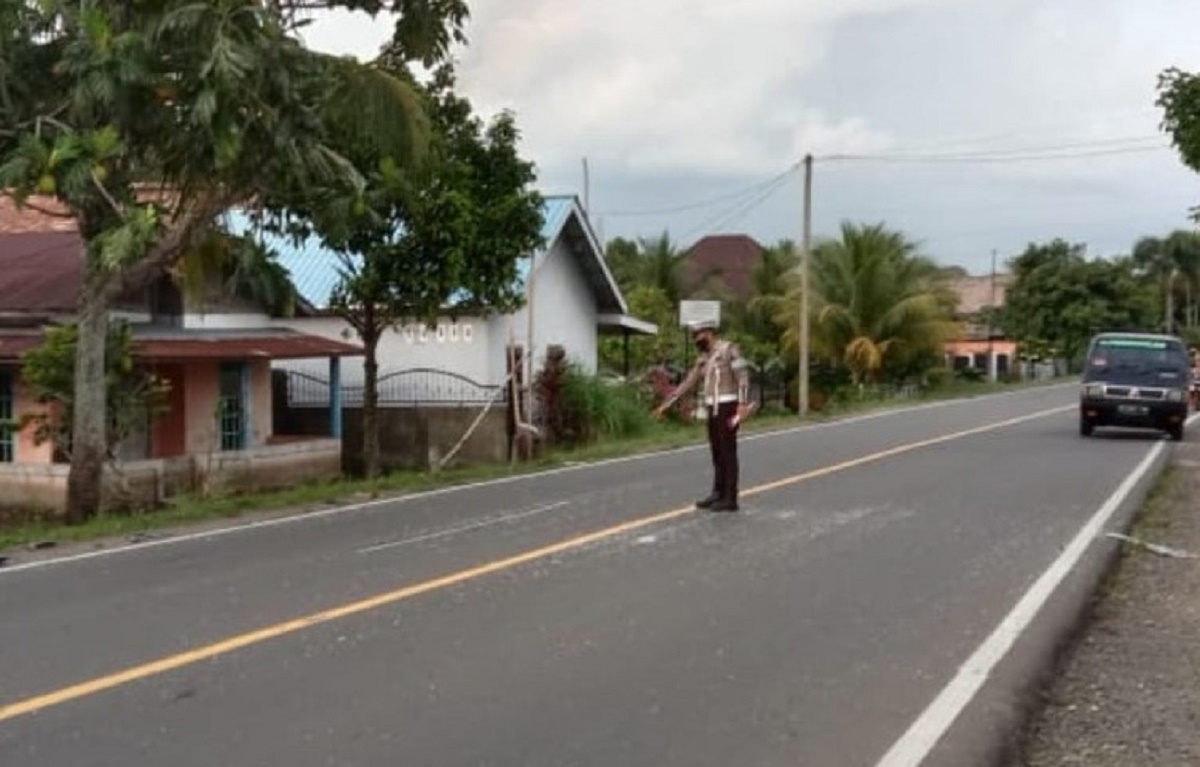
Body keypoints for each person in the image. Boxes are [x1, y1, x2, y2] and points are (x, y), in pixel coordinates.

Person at [654, 319, 754, 511]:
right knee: (716, 452)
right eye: (694, 336)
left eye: (699, 335)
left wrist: (742, 403)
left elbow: (743, 376)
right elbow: (689, 382)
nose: (696, 339)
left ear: (710, 332)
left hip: (728, 405)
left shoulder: (729, 349)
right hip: (712, 407)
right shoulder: (703, 358)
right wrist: (667, 404)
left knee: (728, 451)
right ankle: (718, 492)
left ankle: (730, 497)